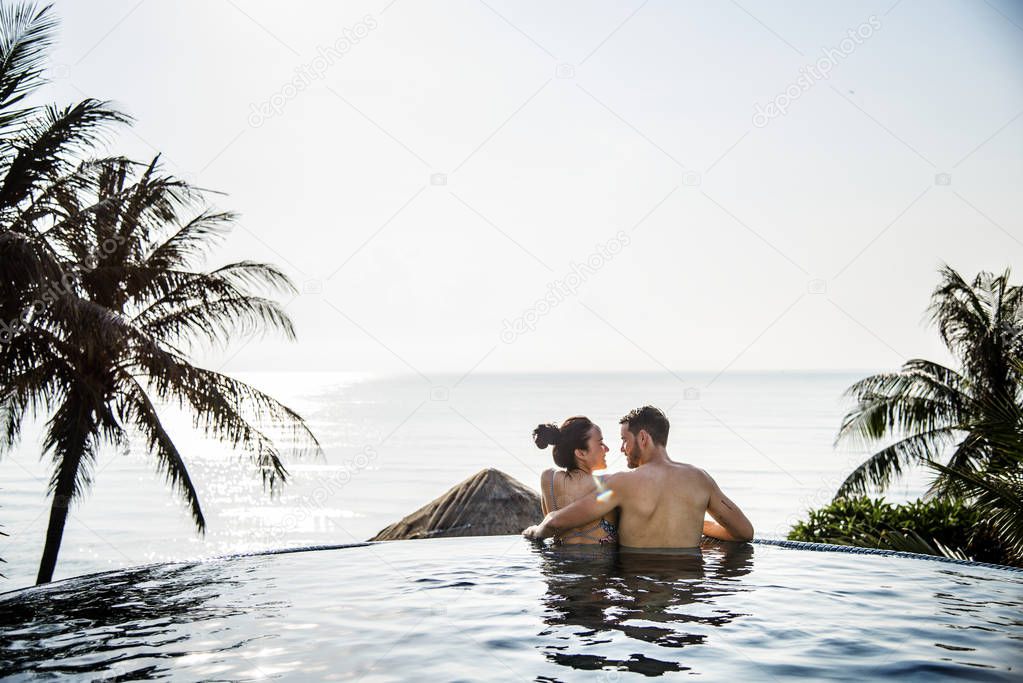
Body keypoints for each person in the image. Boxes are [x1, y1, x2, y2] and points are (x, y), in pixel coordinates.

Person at [524, 406, 753, 548]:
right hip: (687, 591)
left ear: (643, 438)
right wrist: (693, 525)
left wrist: (536, 531)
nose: (622, 448)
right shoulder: (700, 479)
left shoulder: (621, 484)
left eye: (625, 440)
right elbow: (744, 532)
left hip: (636, 594)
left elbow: (558, 521)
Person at [533, 416, 618, 545]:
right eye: (600, 443)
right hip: (599, 562)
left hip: (559, 560)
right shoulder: (609, 483)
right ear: (580, 453)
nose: (606, 449)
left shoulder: (549, 478)